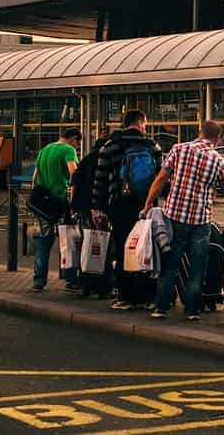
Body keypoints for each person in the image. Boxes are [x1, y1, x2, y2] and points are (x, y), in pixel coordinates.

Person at [144, 120, 224, 321]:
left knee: (170, 264)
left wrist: (148, 203)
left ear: (200, 131)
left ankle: (161, 307)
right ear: (218, 138)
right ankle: (192, 310)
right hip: (201, 221)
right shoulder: (219, 162)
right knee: (197, 267)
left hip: (175, 217)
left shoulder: (179, 149)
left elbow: (161, 179)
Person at [91, 110, 162, 311]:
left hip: (119, 204)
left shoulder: (110, 146)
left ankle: (126, 296)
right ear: (140, 124)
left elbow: (100, 180)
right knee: (147, 247)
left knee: (123, 247)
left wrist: (98, 207)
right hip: (146, 205)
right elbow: (161, 177)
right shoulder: (152, 146)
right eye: (145, 125)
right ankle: (148, 296)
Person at [30, 128, 82, 292]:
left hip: (42, 204)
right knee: (68, 241)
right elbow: (74, 173)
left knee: (42, 242)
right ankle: (70, 280)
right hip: (59, 202)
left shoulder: (44, 150)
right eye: (78, 143)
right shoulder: (68, 150)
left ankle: (39, 281)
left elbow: (34, 178)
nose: (77, 147)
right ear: (73, 139)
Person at [68, 133, 108, 297]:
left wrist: (72, 206)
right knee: (101, 247)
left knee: (86, 247)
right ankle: (101, 286)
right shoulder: (106, 158)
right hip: (99, 208)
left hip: (82, 207)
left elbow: (74, 183)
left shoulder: (86, 159)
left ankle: (84, 285)